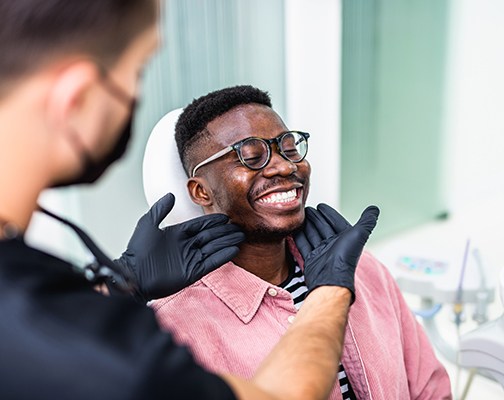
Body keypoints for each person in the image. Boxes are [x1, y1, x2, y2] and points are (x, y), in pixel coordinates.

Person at [0, 1, 380, 399]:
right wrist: (332, 290)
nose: (282, 167)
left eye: (287, 147)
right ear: (75, 98)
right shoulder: (133, 343)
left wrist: (118, 283)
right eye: (138, 70)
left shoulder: (39, 308)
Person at [150, 85, 453, 399]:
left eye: (290, 149)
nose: (284, 166)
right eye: (251, 156)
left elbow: (431, 389)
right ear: (201, 192)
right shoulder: (173, 330)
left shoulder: (360, 269)